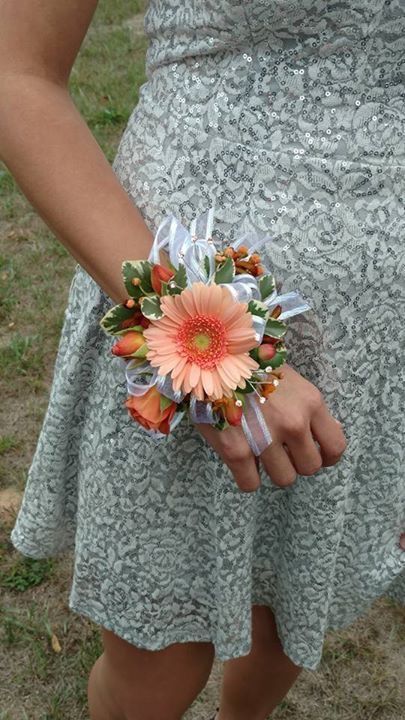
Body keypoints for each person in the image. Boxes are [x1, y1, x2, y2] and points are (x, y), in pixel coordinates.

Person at [1, 1, 404, 719]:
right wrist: (210, 352)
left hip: (378, 333)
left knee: (293, 603)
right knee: (152, 675)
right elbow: (15, 72)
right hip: (182, 286)